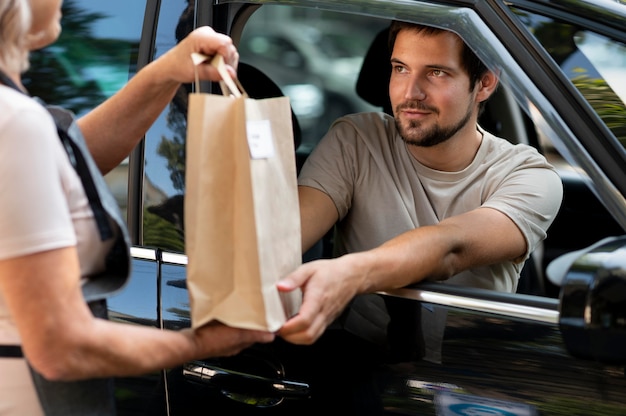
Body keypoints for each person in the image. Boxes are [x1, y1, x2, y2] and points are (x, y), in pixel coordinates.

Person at [0, 0, 274, 414]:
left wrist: (169, 69)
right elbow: (61, 347)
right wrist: (200, 343)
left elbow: (72, 159)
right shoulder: (15, 124)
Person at [277, 20, 564, 347]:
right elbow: (287, 235)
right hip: (358, 361)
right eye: (400, 68)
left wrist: (348, 275)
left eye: (436, 73)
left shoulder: (528, 175)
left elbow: (450, 247)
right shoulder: (355, 140)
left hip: (468, 376)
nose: (410, 93)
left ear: (484, 83)